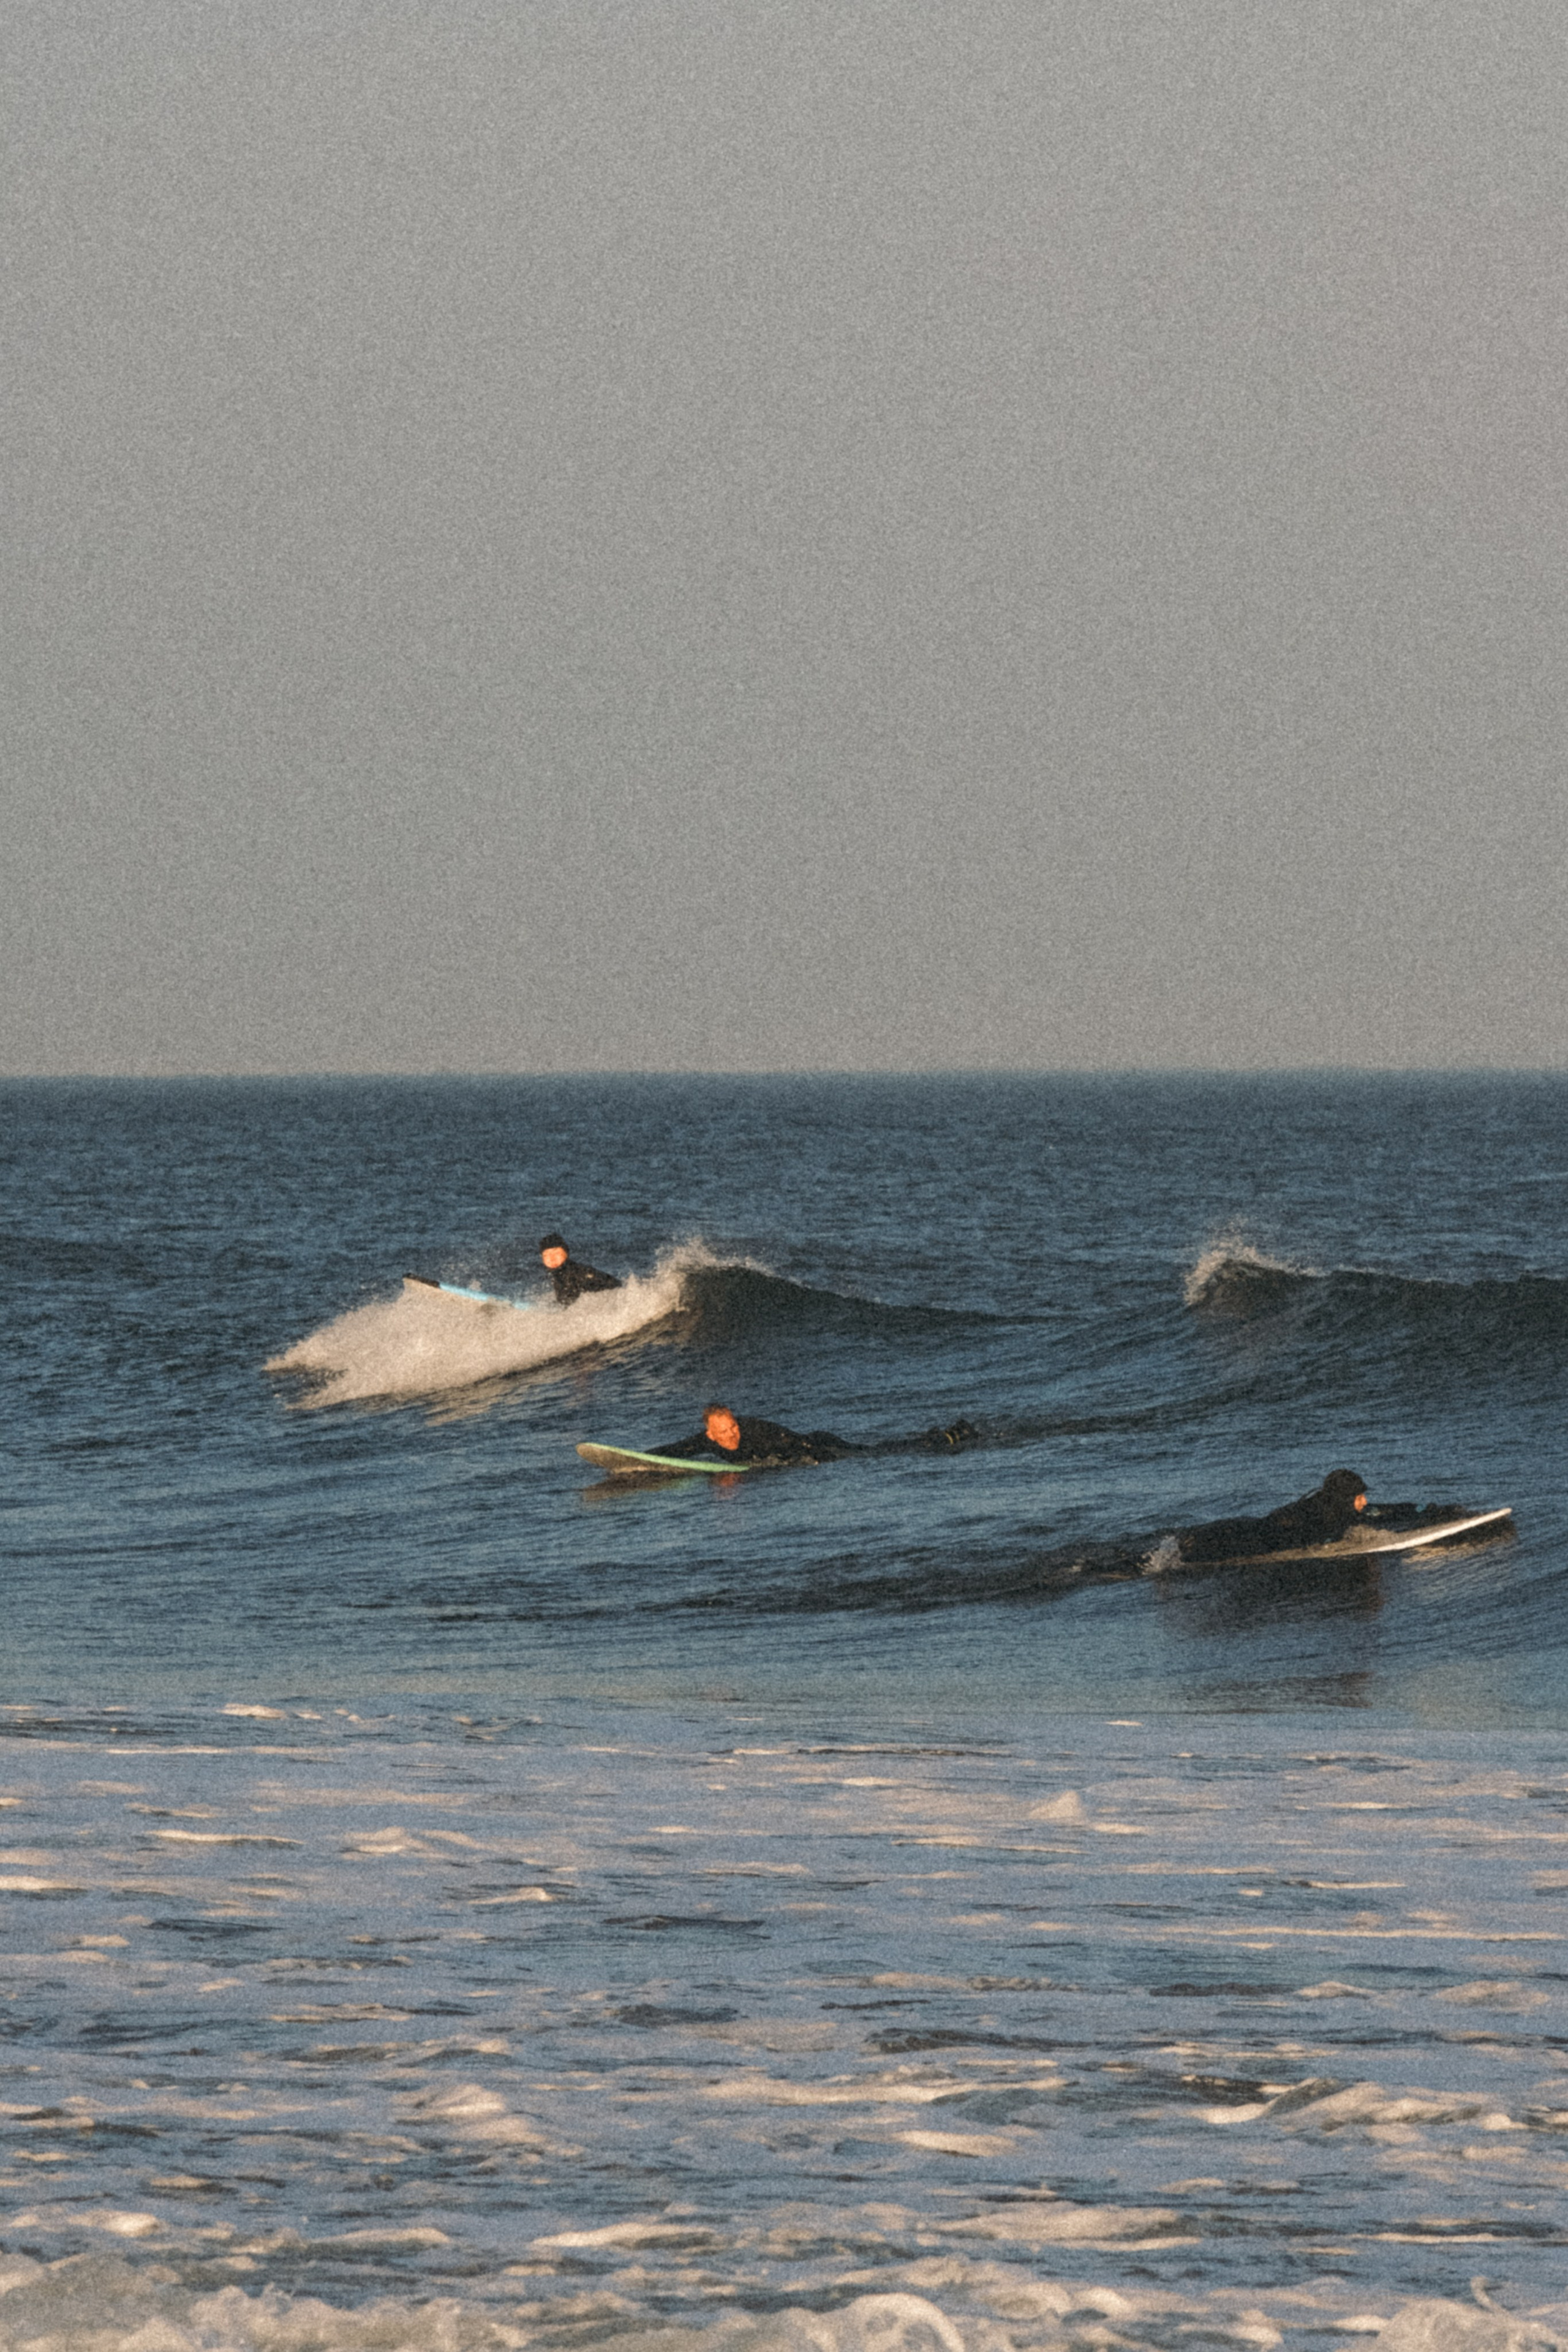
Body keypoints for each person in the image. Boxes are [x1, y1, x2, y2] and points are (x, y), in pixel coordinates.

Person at [650, 1404, 981, 1469]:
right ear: (711, 1434)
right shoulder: (706, 1440)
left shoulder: (758, 1431)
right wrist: (639, 1460)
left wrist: (816, 1457)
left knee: (873, 1453)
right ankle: (934, 1436)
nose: (733, 1434)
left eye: (734, 1427)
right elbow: (678, 1449)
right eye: (725, 1431)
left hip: (820, 1444)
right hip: (806, 1448)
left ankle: (943, 1438)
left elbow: (794, 1441)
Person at [1177, 1468, 1370, 1564]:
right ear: (1344, 1498)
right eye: (1359, 1497)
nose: (1365, 1502)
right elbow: (1282, 1523)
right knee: (1189, 1556)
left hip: (1252, 1528)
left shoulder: (1328, 1506)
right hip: (1249, 1537)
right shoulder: (1320, 1515)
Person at [540, 1233, 622, 1307]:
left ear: (566, 1253)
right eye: (547, 1255)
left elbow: (615, 1285)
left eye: (557, 1253)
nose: (552, 1259)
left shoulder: (578, 1273)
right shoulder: (558, 1274)